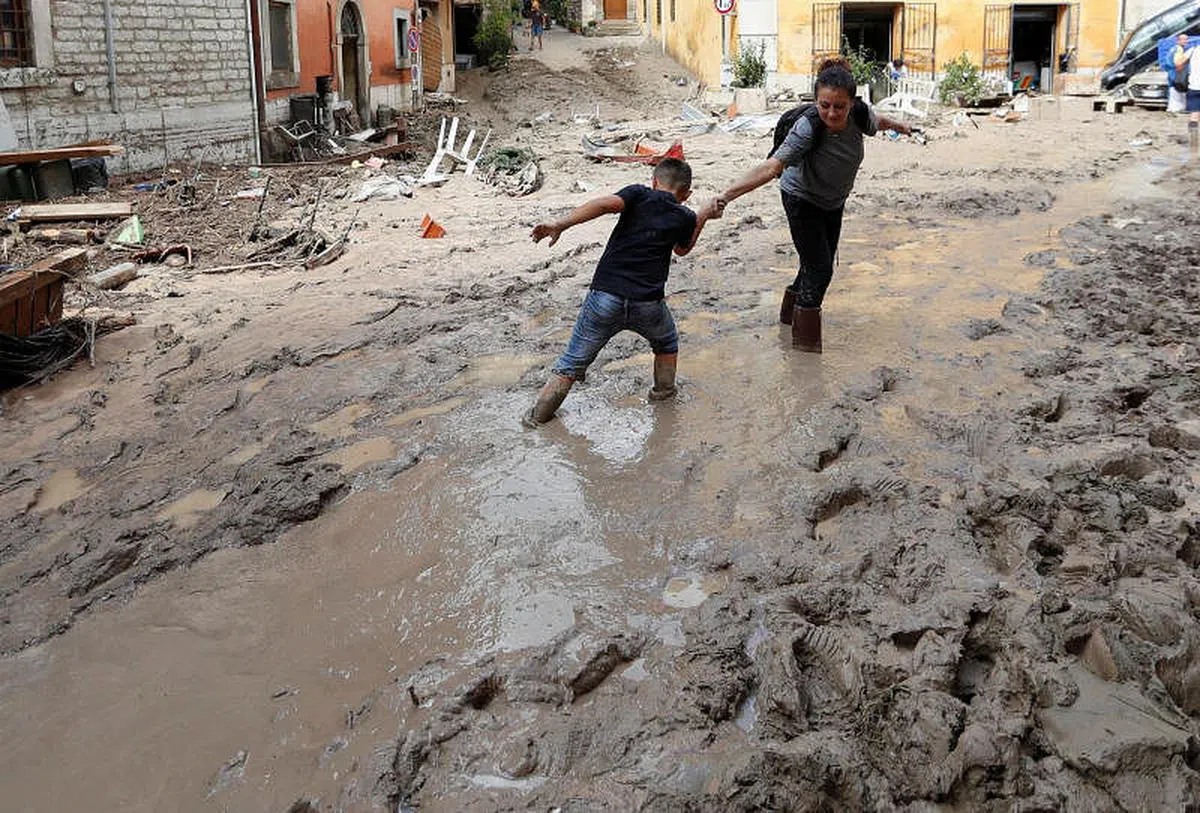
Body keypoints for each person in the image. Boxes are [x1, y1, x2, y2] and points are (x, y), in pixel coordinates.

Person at [711, 57, 913, 352]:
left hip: (833, 202)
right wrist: (726, 195)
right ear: (816, 99)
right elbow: (771, 167)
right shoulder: (808, 127)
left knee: (815, 262)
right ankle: (804, 353)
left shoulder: (860, 114)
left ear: (852, 103)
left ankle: (788, 320)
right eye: (824, 105)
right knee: (820, 269)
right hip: (801, 198)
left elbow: (877, 121)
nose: (831, 113)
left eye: (839, 106)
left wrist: (900, 125)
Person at [524, 159, 717, 425]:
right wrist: (702, 216)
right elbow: (682, 250)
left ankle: (537, 418)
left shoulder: (638, 194)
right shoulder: (684, 216)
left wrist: (561, 224)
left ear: (654, 181)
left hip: (605, 296)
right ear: (687, 194)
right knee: (666, 343)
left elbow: (604, 205)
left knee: (572, 361)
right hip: (649, 304)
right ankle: (663, 396)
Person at [1175, 33, 1200, 149]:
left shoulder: (1193, 50)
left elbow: (1179, 64)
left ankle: (1193, 142)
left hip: (1194, 85)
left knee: (1194, 114)